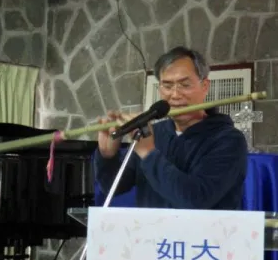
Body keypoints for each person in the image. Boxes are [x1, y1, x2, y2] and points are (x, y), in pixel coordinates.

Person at [92, 46, 248, 210]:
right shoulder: (154, 133)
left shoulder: (228, 139)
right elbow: (113, 188)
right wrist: (107, 156)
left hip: (203, 235)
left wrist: (148, 153)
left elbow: (195, 199)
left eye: (185, 85)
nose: (175, 95)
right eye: (167, 86)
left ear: (205, 86)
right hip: (152, 234)